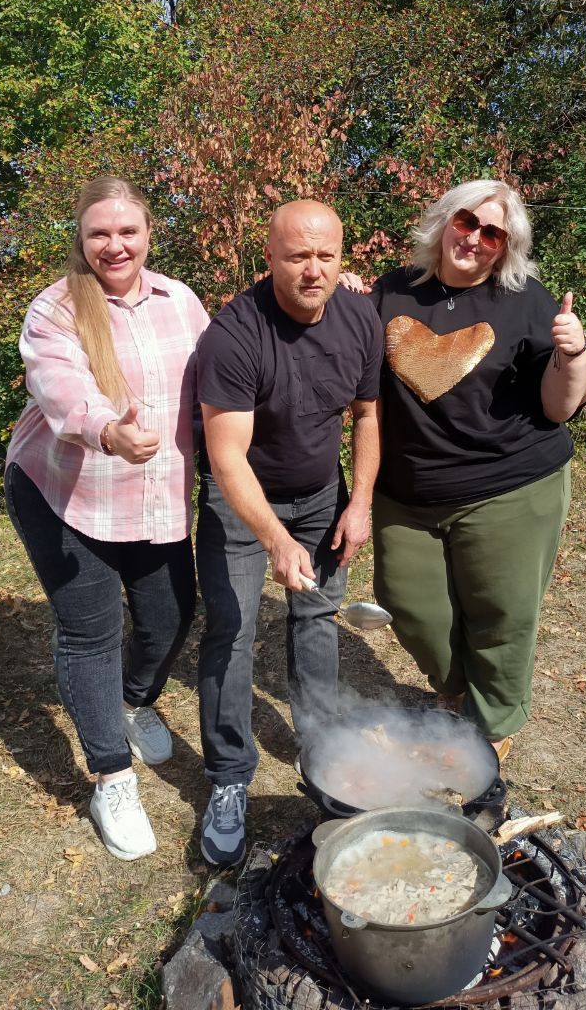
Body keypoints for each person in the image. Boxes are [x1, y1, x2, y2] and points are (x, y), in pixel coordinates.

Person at [341, 179, 586, 761]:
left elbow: (561, 405)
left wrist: (575, 350)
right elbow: (345, 358)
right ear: (443, 222)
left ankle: (491, 729)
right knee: (410, 606)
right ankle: (455, 691)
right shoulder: (391, 291)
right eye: (466, 222)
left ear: (506, 247)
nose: (474, 238)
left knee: (502, 616)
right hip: (408, 492)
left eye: (492, 233)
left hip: (510, 486)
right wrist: (341, 294)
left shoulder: (526, 300)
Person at [5, 176, 209, 861]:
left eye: (128, 231)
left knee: (170, 616)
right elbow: (60, 388)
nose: (115, 245)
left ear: (148, 234)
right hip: (65, 493)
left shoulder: (181, 300)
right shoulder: (56, 307)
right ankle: (111, 777)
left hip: (155, 494)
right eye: (100, 233)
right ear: (81, 239)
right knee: (89, 633)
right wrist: (107, 430)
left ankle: (133, 702)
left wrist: (333, 294)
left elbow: (233, 361)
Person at [194, 199, 383, 865]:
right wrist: (275, 537)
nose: (312, 270)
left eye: (325, 255)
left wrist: (359, 503)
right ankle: (228, 777)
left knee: (318, 617)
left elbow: (367, 415)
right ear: (269, 256)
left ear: (341, 258)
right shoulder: (234, 335)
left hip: (322, 494)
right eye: (298, 255)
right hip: (240, 502)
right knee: (232, 630)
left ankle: (322, 750)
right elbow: (225, 457)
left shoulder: (360, 316)